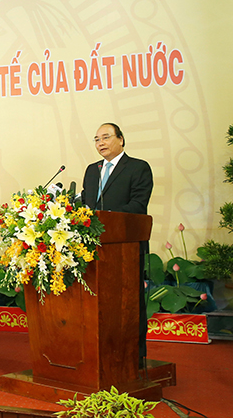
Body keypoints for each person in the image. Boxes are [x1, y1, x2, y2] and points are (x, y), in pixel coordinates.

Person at [81, 122, 153, 367]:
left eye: (106, 137)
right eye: (96, 139)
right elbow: (86, 206)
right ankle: (98, 355)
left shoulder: (138, 168)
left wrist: (106, 218)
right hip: (93, 249)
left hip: (125, 248)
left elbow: (138, 205)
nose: (100, 143)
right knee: (97, 304)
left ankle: (134, 357)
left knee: (128, 304)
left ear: (121, 139)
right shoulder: (92, 170)